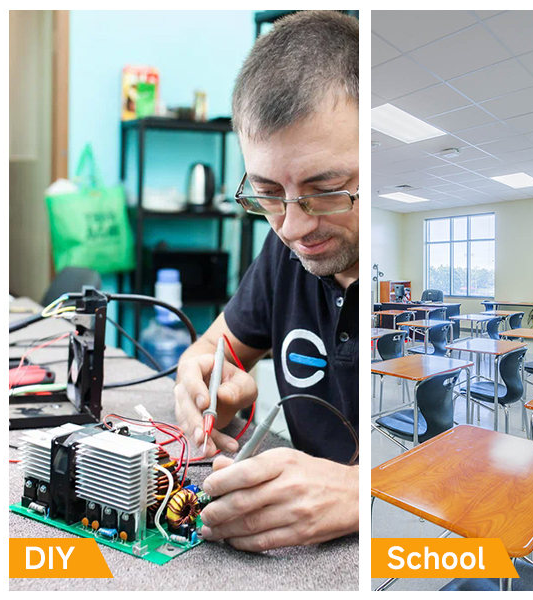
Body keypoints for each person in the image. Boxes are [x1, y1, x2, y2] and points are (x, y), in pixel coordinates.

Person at [169, 10, 360, 552]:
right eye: (267, 192)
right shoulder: (284, 253)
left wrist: (354, 491)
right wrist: (203, 378)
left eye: (326, 189)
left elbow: (465, 452)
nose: (293, 227)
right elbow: (215, 348)